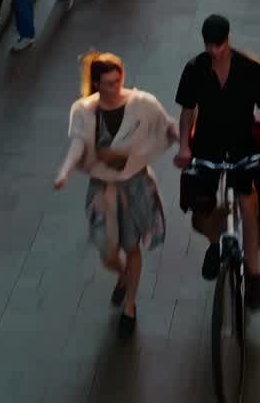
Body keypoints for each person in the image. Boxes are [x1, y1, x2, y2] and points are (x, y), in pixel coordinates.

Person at [54, 51, 177, 339]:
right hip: (103, 189)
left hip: (136, 185)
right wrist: (65, 171)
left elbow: (167, 124)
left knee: (132, 247)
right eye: (108, 83)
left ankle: (130, 306)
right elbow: (78, 143)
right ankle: (122, 275)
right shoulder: (84, 110)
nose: (115, 86)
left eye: (118, 80)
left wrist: (185, 145)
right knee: (107, 249)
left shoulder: (142, 103)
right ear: (96, 83)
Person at [174, 14, 260, 312]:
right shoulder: (195, 69)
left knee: (246, 205)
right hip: (207, 147)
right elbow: (187, 111)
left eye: (218, 45)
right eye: (209, 46)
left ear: (228, 40)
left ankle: (254, 275)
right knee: (203, 209)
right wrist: (183, 147)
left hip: (242, 147)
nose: (214, 51)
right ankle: (214, 243)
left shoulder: (249, 69)